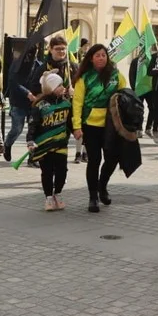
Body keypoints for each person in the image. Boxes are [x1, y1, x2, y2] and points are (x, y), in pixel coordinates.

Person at [72, 43, 128, 213]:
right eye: (97, 55)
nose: (101, 58)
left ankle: (102, 186)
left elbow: (125, 96)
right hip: (90, 125)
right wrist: (76, 126)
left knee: (112, 158)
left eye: (103, 55)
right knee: (94, 160)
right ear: (91, 58)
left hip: (111, 125)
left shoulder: (115, 75)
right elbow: (77, 103)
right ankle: (93, 196)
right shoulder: (84, 78)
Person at [27, 72, 72, 211]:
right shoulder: (40, 105)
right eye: (59, 85)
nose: (63, 87)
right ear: (51, 88)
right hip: (44, 145)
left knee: (62, 171)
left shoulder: (67, 103)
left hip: (61, 144)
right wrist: (30, 140)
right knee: (47, 172)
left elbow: (71, 122)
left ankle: (57, 194)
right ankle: (48, 197)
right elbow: (33, 124)